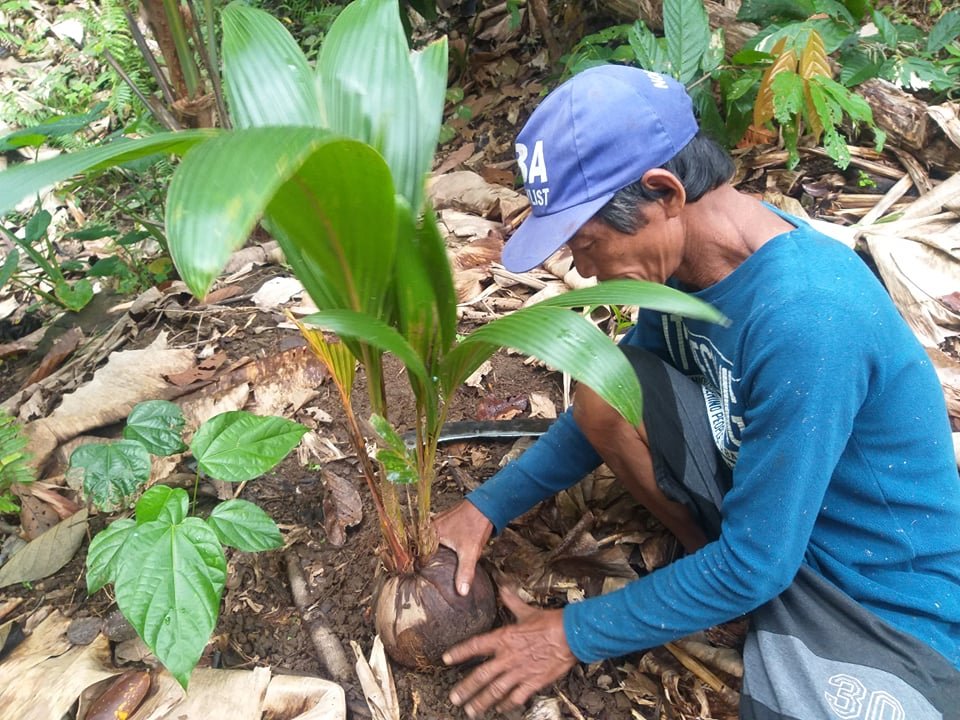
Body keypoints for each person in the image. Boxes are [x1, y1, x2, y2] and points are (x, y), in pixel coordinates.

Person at [433, 64, 960, 719]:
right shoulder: (688, 269)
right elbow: (620, 390)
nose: (583, 269)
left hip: (873, 586)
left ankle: (729, 589)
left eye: (587, 243)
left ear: (664, 193)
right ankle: (718, 577)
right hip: (771, 521)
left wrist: (569, 634)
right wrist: (486, 507)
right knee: (608, 385)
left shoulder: (807, 317)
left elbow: (759, 563)